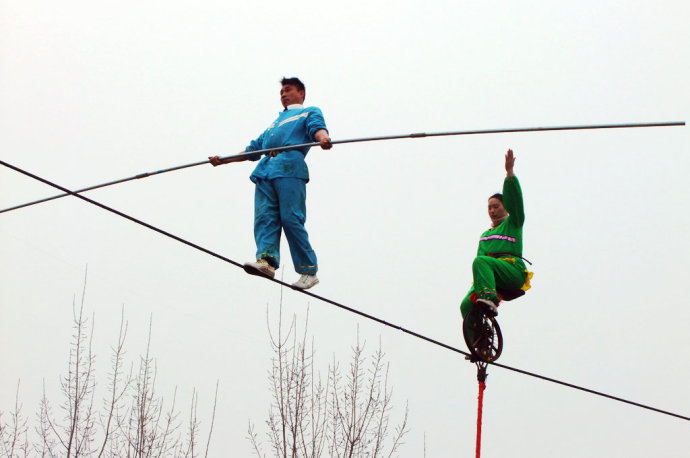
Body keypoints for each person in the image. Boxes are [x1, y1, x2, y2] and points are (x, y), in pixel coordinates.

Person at [209, 77, 332, 290]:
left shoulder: (308, 111)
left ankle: (308, 270)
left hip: (289, 166)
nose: (283, 94)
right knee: (265, 217)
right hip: (266, 170)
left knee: (290, 218)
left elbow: (317, 128)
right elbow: (253, 149)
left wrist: (323, 138)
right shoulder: (274, 125)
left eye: (288, 90)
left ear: (301, 93)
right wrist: (225, 160)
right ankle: (266, 261)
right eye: (281, 91)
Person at [460, 149, 533, 320]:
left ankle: (489, 298)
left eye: (496, 206)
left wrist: (509, 174)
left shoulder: (513, 222)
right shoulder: (485, 235)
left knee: (481, 261)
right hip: (491, 275)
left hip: (511, 271)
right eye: (489, 207)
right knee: (465, 305)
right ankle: (480, 344)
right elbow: (481, 267)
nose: (492, 210)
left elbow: (516, 201)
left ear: (506, 207)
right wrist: (475, 291)